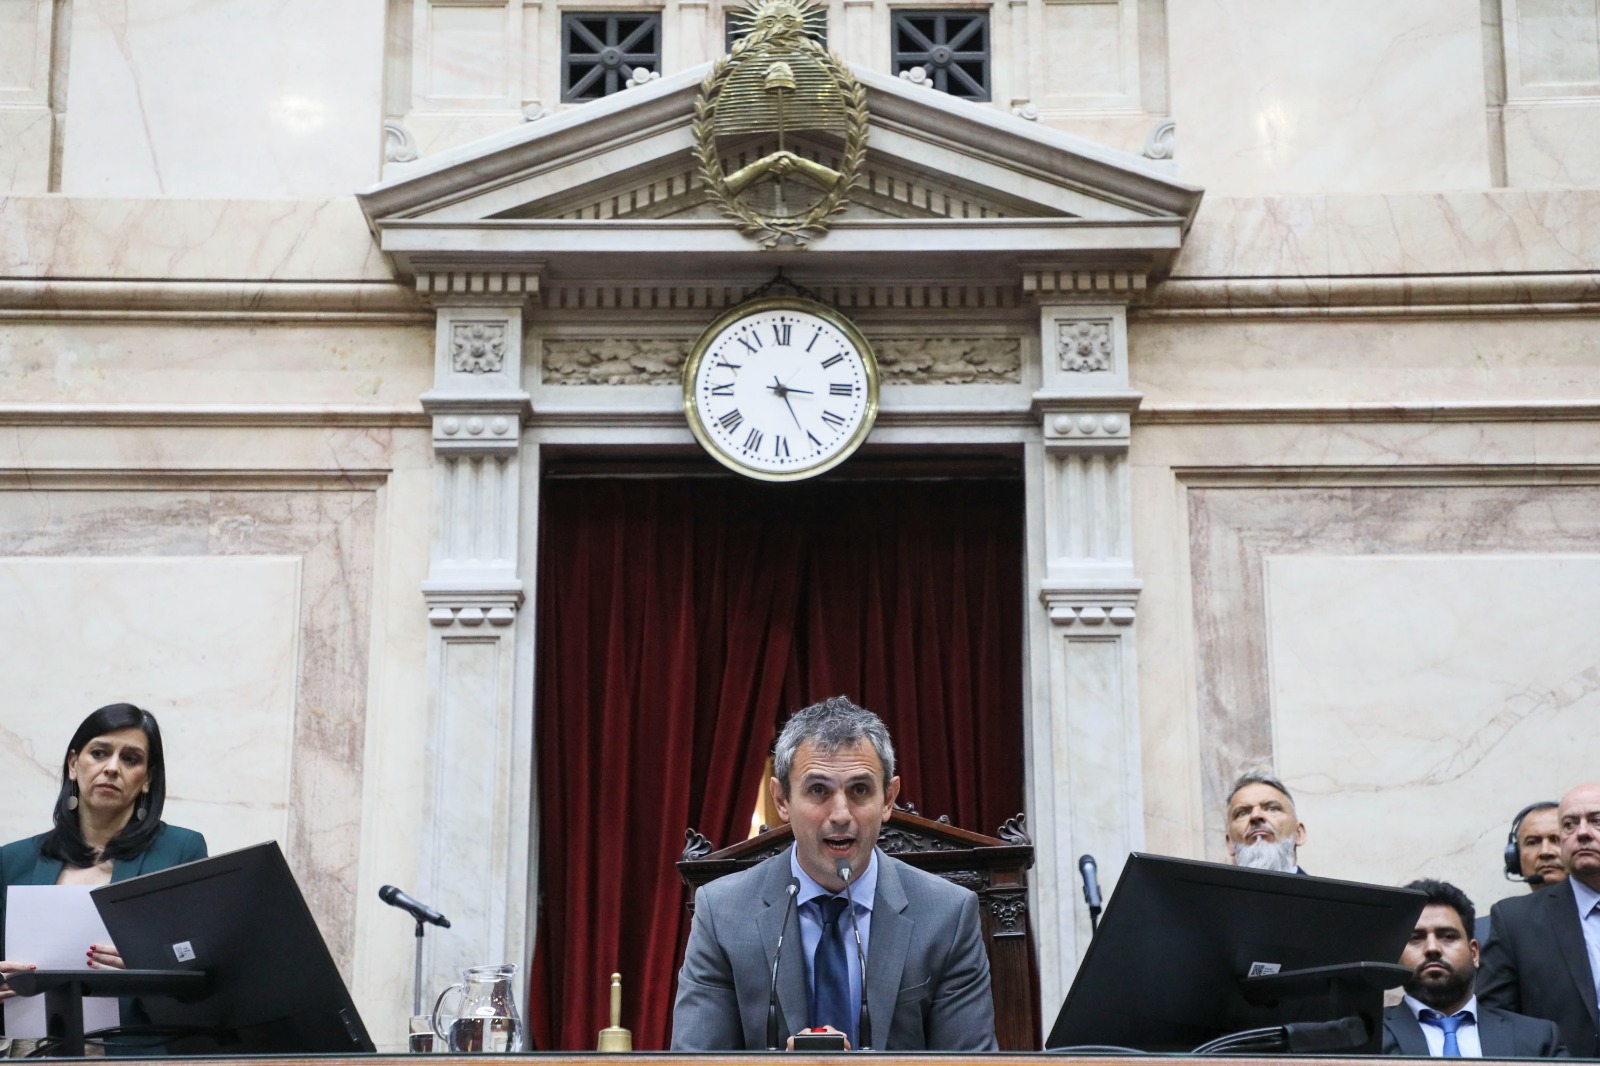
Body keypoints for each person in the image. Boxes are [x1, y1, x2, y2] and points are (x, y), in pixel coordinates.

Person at [670, 696, 996, 1051]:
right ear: (781, 800)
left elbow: (969, 1062)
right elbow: (697, 1060)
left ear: (888, 798)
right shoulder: (723, 912)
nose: (840, 814)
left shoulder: (948, 915)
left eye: (859, 790)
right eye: (818, 790)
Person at [0, 704, 208, 1052]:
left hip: (133, 1050)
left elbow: (201, 968)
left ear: (148, 777)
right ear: (73, 764)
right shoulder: (12, 859)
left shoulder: (180, 850)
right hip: (30, 1052)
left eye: (130, 759)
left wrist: (148, 966)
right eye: (99, 753)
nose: (111, 768)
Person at [1478, 783, 1600, 1057]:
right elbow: (1494, 1022)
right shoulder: (1514, 920)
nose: (1582, 833)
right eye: (1569, 825)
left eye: (1597, 821)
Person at [1381, 878, 1565, 1057]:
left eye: (1447, 936)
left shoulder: (1539, 1038)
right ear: (1397, 956)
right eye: (1415, 938)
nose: (1432, 948)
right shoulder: (1369, 1036)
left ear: (1475, 953)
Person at [1223, 771, 1306, 873]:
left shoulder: (1326, 889)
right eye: (1242, 813)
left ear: (1298, 834)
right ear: (1230, 843)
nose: (1255, 815)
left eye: (1272, 808)